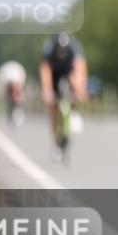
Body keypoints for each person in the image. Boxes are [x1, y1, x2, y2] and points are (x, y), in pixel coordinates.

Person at [39, 32, 88, 161]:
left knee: (74, 86)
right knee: (53, 108)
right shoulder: (50, 49)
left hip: (68, 73)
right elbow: (45, 70)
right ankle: (56, 143)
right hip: (54, 74)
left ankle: (73, 112)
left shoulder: (75, 48)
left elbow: (80, 69)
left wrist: (80, 89)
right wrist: (46, 90)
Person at [0, 60, 27, 126]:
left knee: (17, 105)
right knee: (9, 106)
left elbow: (21, 95)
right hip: (10, 97)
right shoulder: (7, 84)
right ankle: (10, 116)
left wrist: (19, 99)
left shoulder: (19, 83)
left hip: (16, 98)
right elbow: (5, 95)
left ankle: (17, 114)